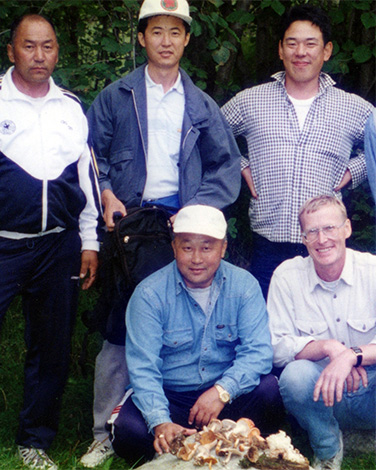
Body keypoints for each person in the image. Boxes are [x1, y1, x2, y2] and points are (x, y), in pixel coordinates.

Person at [80, 0, 241, 465]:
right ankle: (103, 432)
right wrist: (107, 193)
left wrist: (197, 208)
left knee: (179, 318)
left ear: (187, 39)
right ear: (142, 38)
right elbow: (91, 156)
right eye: (157, 31)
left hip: (180, 224)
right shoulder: (117, 96)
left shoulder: (202, 105)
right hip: (127, 225)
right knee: (118, 327)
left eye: (176, 32)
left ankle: (176, 415)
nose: (166, 41)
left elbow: (225, 166)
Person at [0, 13, 100, 469]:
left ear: (57, 51)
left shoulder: (70, 106)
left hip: (57, 244)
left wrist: (90, 241)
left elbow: (86, 178)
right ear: (11, 51)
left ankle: (35, 439)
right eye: (29, 46)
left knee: (52, 347)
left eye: (47, 46)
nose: (39, 55)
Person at [221, 4, 374, 296]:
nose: (300, 52)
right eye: (292, 43)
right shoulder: (251, 101)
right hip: (267, 246)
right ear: (280, 49)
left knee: (325, 330)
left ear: (327, 51)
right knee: (268, 332)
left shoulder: (352, 107)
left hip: (326, 247)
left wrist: (353, 171)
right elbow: (211, 135)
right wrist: (240, 164)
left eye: (310, 44)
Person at [112, 205, 282, 463]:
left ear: (223, 248)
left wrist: (222, 391)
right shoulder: (148, 294)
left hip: (224, 394)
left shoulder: (244, 285)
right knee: (129, 431)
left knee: (269, 390)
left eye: (207, 247)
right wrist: (160, 421)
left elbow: (258, 352)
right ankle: (185, 447)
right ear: (174, 247)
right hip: (171, 396)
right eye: (187, 247)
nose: (196, 259)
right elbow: (143, 368)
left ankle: (241, 451)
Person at [268, 194, 376, 470]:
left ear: (347, 229)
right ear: (303, 238)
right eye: (312, 231)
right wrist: (328, 347)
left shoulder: (372, 270)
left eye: (329, 228)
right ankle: (328, 448)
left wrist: (351, 356)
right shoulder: (286, 276)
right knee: (294, 375)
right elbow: (275, 347)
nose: (322, 239)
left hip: (370, 388)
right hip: (321, 395)